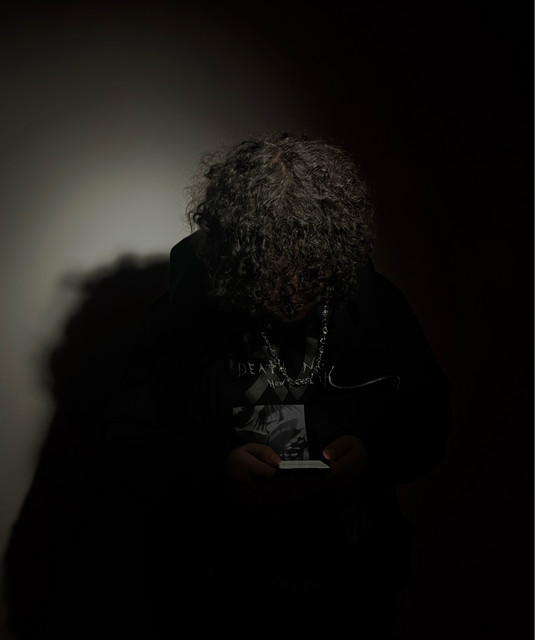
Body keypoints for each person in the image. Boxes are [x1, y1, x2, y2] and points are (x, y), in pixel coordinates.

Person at [88, 133, 451, 638]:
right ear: (234, 257)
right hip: (219, 595)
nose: (291, 292)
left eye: (309, 269)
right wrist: (216, 474)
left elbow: (429, 417)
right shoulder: (181, 318)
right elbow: (126, 438)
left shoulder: (375, 305)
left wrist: (373, 455)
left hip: (355, 593)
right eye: (268, 270)